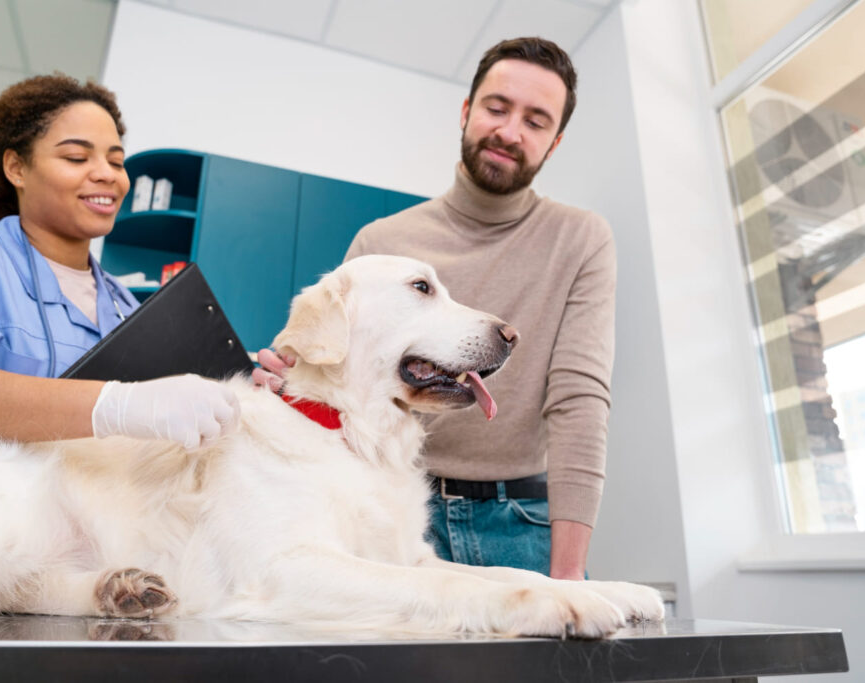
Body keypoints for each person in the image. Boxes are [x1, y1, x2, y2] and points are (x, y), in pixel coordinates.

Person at [257, 37, 613, 581]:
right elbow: (340, 381)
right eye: (497, 108)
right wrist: (290, 385)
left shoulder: (581, 239)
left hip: (521, 525)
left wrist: (568, 582)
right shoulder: (382, 241)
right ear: (468, 111)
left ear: (555, 142)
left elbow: (579, 403)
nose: (511, 131)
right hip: (388, 509)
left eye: (536, 121)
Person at [0, 74, 239, 448]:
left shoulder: (125, 306)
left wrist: (236, 396)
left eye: (116, 162)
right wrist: (113, 407)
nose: (107, 174)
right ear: (16, 168)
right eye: (76, 157)